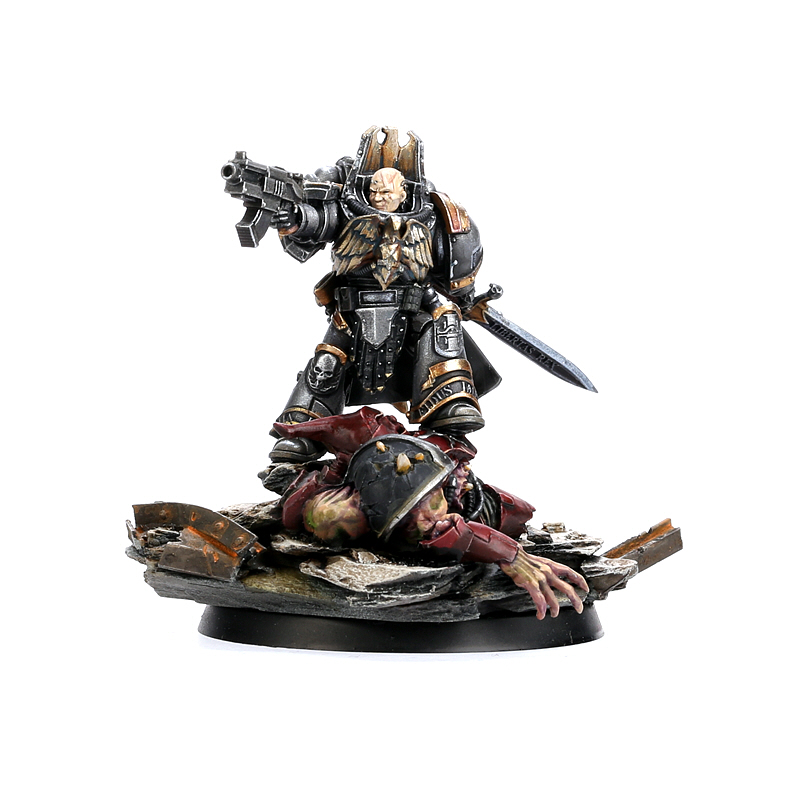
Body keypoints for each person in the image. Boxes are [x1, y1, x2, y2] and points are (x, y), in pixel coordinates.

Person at [266, 126, 501, 463]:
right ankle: (303, 429)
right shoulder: (347, 210)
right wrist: (296, 219)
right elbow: (318, 223)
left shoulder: (432, 216)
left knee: (443, 323)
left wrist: (464, 297)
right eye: (374, 190)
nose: (379, 197)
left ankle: (451, 403)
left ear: (404, 191)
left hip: (413, 304)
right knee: (327, 363)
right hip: (353, 309)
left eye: (387, 191)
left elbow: (455, 264)